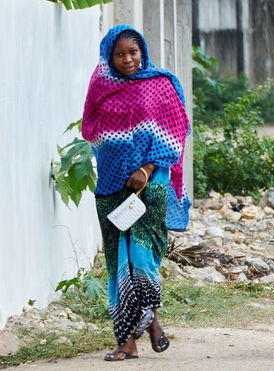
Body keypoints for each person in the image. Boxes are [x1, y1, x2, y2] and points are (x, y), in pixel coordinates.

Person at [82, 24, 191, 361]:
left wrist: (144, 169)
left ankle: (147, 321)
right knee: (117, 263)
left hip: (151, 185)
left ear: (142, 52)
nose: (127, 59)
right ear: (108, 56)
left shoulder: (160, 84)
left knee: (141, 256)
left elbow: (175, 132)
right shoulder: (100, 86)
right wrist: (121, 161)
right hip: (111, 187)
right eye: (119, 54)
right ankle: (131, 338)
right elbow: (91, 130)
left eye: (133, 52)